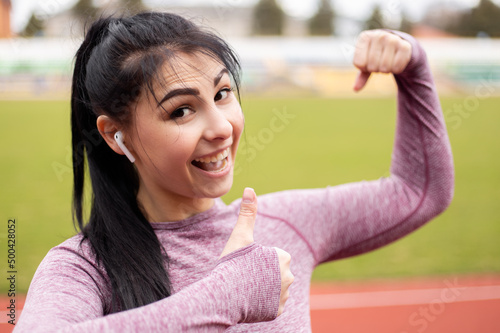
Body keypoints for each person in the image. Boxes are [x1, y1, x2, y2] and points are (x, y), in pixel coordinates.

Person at [15, 11, 454, 332]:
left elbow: (419, 191)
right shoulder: (83, 268)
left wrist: (412, 68)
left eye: (223, 93)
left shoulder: (286, 225)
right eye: (182, 111)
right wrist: (225, 297)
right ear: (114, 136)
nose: (222, 127)